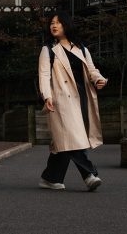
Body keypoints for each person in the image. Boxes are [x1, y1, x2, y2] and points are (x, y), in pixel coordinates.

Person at [38, 11, 107, 191]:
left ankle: (50, 178)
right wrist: (47, 96)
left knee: (65, 140)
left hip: (81, 99)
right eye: (52, 23)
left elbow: (92, 70)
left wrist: (99, 79)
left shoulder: (81, 48)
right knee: (73, 136)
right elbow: (44, 75)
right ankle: (89, 174)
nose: (54, 25)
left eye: (58, 22)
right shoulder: (48, 50)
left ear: (67, 25)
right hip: (61, 99)